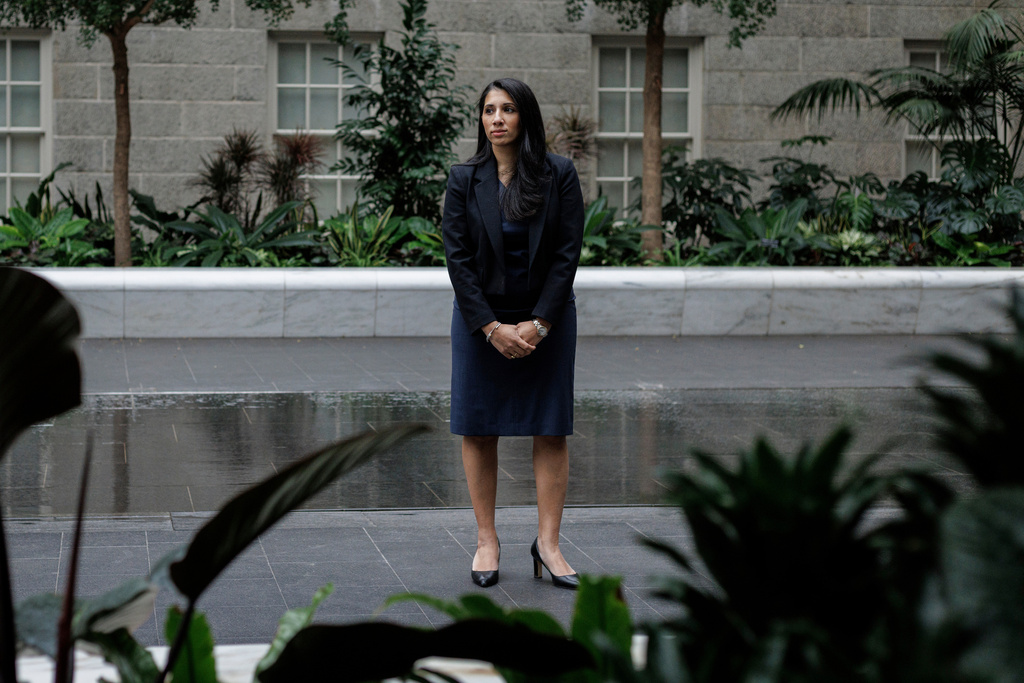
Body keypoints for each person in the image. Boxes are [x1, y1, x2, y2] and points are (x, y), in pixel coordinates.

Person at [442, 78, 585, 590]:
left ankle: (548, 544)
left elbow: (568, 252)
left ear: (525, 116)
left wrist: (541, 323)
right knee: (479, 428)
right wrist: (490, 327)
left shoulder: (559, 174)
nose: (496, 118)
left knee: (550, 428)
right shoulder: (464, 178)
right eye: (488, 110)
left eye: (506, 109)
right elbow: (457, 261)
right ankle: (487, 539)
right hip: (481, 322)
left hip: (546, 319)